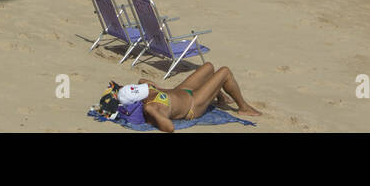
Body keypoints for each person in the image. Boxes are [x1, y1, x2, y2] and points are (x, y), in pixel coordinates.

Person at [110, 64, 261, 132]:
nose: (146, 88)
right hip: (193, 106)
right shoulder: (151, 107)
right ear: (138, 102)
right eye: (142, 92)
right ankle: (243, 107)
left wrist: (148, 88)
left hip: (182, 91)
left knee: (208, 67)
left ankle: (220, 98)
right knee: (225, 72)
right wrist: (154, 115)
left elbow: (143, 81)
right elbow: (169, 127)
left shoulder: (145, 89)